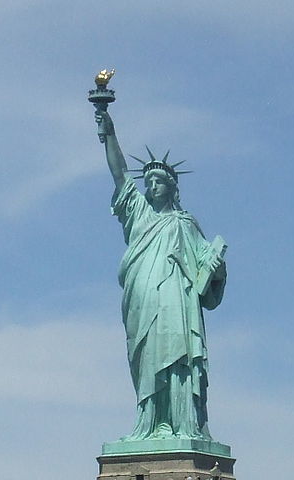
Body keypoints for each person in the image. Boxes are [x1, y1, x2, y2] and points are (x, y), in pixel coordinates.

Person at [96, 106, 227, 442]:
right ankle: (149, 424)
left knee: (180, 359)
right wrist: (108, 130)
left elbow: (206, 275)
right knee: (147, 358)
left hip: (177, 301)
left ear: (172, 187)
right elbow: (120, 173)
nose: (152, 186)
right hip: (142, 297)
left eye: (159, 181)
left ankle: (184, 424)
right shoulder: (138, 213)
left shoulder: (185, 224)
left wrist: (216, 268)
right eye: (149, 181)